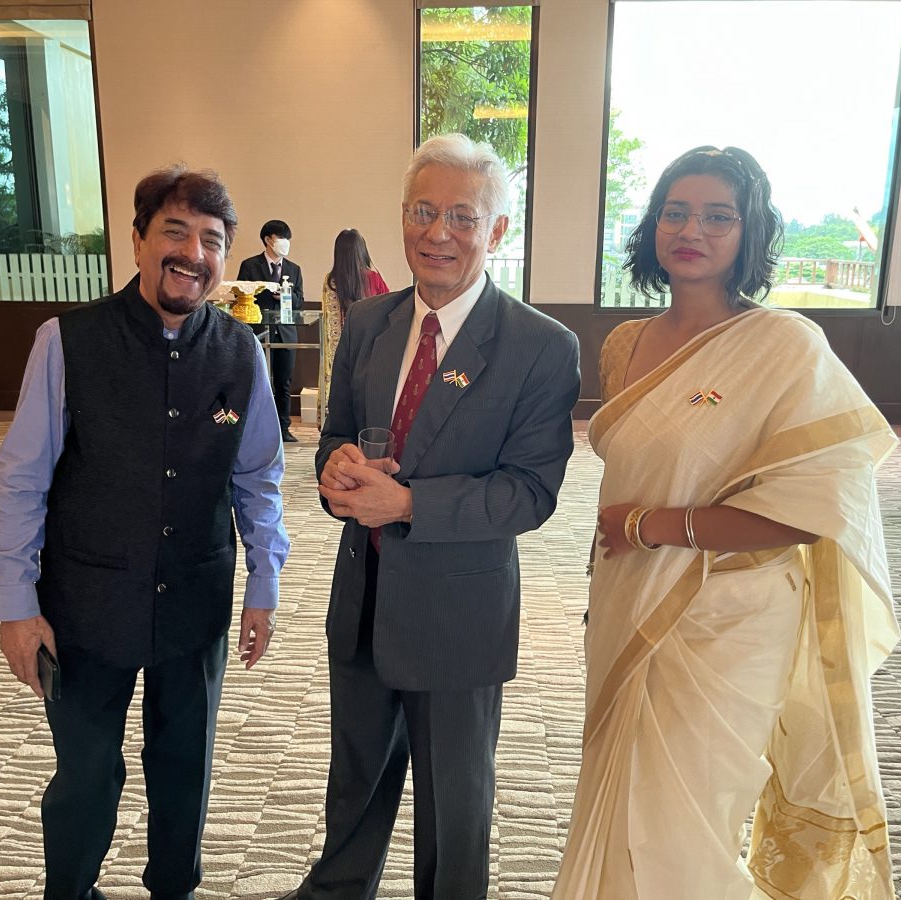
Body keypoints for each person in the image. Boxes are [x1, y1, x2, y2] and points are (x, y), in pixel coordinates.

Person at [552, 146, 900, 899]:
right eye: (675, 212)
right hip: (625, 597)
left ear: (749, 233)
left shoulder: (785, 346)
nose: (692, 231)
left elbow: (813, 510)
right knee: (620, 792)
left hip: (732, 617)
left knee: (688, 818)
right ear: (652, 226)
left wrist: (655, 526)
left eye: (718, 216)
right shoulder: (623, 344)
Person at [279, 134, 581, 900]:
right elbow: (335, 437)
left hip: (457, 618)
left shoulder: (540, 347)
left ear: (497, 230)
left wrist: (410, 503)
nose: (437, 232)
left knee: (453, 811)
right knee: (352, 789)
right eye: (422, 211)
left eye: (462, 216)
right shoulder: (369, 322)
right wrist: (336, 468)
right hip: (363, 602)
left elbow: (530, 492)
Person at [0, 165, 290, 900]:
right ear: (137, 241)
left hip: (195, 596)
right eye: (174, 232)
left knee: (185, 766)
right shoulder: (67, 341)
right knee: (87, 772)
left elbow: (258, 479)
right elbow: (21, 481)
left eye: (211, 240)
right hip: (87, 603)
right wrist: (16, 605)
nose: (193, 253)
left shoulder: (241, 353)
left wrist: (265, 582)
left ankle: (173, 890)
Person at [238, 219, 305, 442]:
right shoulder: (250, 266)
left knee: (284, 382)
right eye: (281, 238)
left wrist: (286, 296)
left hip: (285, 332)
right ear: (268, 240)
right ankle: (257, 429)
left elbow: (299, 300)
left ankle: (284, 428)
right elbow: (241, 294)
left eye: (287, 238)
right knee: (259, 382)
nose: (285, 243)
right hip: (258, 331)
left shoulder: (294, 269)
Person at [321, 228, 389, 412]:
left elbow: (329, 322)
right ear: (361, 250)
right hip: (370, 348)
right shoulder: (374, 278)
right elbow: (387, 312)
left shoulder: (331, 282)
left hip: (339, 351)